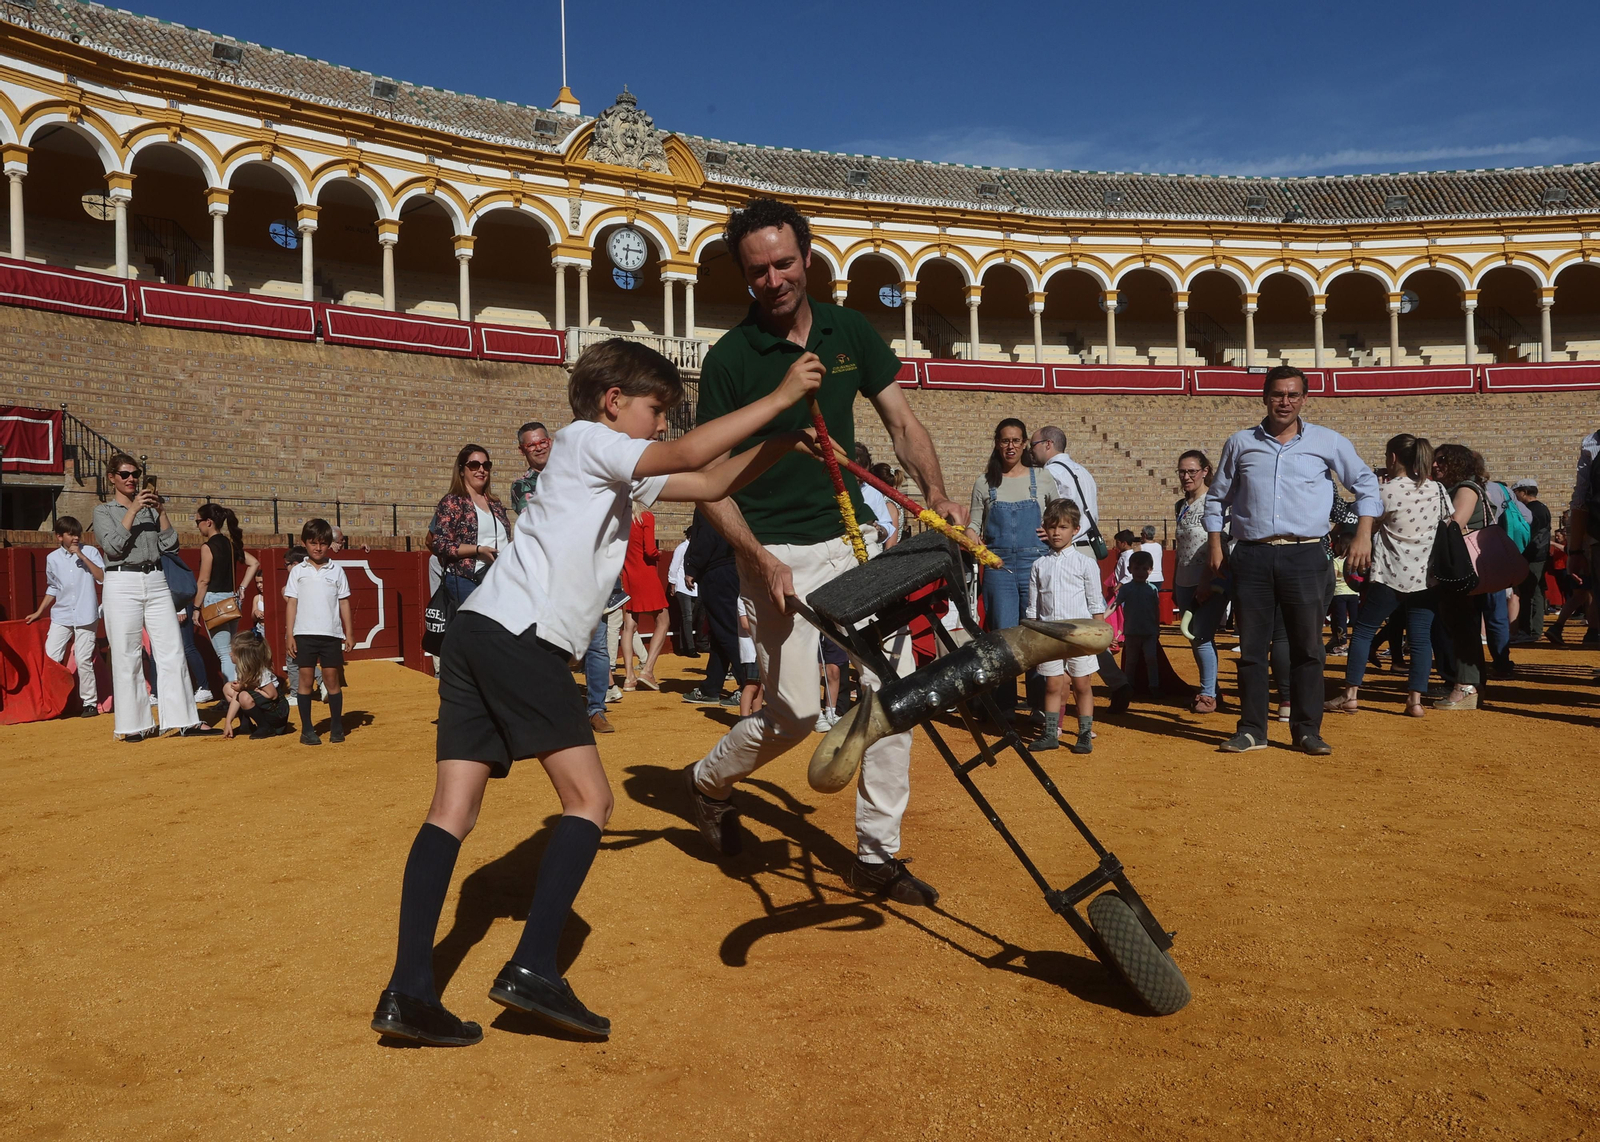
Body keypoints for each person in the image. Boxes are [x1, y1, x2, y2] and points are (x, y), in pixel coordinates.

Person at [370, 336, 821, 1047]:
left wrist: (784, 440)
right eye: (654, 410)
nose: (661, 425)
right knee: (590, 801)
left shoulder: (598, 464)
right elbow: (683, 458)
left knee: (451, 811)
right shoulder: (587, 440)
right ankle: (532, 969)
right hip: (525, 638)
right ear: (614, 402)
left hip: (478, 633)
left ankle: (408, 992)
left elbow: (708, 485)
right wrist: (780, 398)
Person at [683, 197, 967, 907]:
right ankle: (709, 781)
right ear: (743, 277)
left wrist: (937, 495)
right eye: (757, 271)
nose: (773, 279)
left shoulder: (848, 330)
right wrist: (756, 557)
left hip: (851, 540)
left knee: (893, 692)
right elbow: (707, 485)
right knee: (794, 713)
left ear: (806, 259)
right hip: (773, 551)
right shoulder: (728, 359)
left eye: (783, 263)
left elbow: (899, 420)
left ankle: (877, 853)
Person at [1204, 365, 1380, 755]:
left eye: (1293, 394)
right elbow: (1217, 498)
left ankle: (1306, 730)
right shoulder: (1240, 443)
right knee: (1251, 647)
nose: (1285, 402)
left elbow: (1366, 484)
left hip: (1306, 552)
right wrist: (1216, 544)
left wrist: (1364, 533)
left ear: (1304, 398)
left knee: (1308, 648)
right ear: (1264, 397)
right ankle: (1252, 729)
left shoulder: (1328, 441)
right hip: (1251, 554)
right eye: (1278, 394)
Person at [1324, 433, 1444, 718]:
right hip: (1426, 576)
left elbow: (1367, 522)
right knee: (1420, 638)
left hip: (1390, 573)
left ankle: (1351, 694)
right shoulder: (1437, 489)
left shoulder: (1385, 491)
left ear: (1392, 458)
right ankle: (1414, 700)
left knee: (1364, 630)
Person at [93, 454, 210, 741]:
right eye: (124, 474)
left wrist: (161, 512)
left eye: (136, 473)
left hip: (156, 578)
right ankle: (133, 725)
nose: (131, 478)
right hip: (122, 579)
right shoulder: (103, 511)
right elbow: (113, 548)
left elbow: (171, 544)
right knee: (126, 653)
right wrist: (132, 510)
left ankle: (184, 719)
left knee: (171, 648)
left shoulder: (149, 510)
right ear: (112, 478)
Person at [1030, 424, 1133, 713]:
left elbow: (1056, 514)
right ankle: (1115, 683)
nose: (1031, 452)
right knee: (1086, 626)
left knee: (1075, 627)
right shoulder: (1082, 471)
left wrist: (1049, 530)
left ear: (1048, 444)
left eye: (1033, 445)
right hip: (1086, 548)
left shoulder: (1051, 473)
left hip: (1069, 550)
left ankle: (1066, 698)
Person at [968, 417, 1056, 716]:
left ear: (1023, 444)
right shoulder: (984, 482)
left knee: (1035, 634)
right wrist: (973, 542)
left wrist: (1052, 528)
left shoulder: (1042, 478)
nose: (1010, 446)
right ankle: (1004, 703)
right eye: (1005, 440)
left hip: (1036, 564)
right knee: (1004, 636)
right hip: (999, 566)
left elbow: (1059, 515)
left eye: (1016, 440)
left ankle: (1039, 704)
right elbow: (974, 525)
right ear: (997, 442)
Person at [1026, 499, 1105, 753]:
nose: (1056, 533)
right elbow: (1033, 605)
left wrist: (1099, 634)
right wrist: (1033, 633)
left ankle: (1084, 734)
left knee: (1082, 684)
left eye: (1062, 527)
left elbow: (1095, 602)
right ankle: (1050, 734)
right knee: (1052, 684)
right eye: (1051, 527)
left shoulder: (1085, 563)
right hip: (1049, 634)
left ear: (1075, 529)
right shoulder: (1040, 565)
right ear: (1045, 529)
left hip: (1079, 634)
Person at [1431, 444, 1492, 710]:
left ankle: (1466, 687)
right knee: (1459, 624)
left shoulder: (1465, 488)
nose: (1435, 465)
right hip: (1461, 567)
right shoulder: (1457, 488)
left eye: (1441, 460)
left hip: (1463, 569)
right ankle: (1470, 683)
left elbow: (1455, 523)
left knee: (1463, 625)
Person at [25, 516, 104, 717]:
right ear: (60, 536)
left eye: (77, 533)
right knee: (52, 656)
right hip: (62, 613)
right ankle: (54, 701)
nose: (76, 537)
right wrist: (39, 611)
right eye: (71, 534)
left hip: (86, 613)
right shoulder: (52, 558)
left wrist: (82, 557)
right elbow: (53, 587)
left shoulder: (91, 552)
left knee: (83, 658)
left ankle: (90, 703)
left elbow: (102, 577)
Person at [284, 518, 353, 744]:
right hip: (304, 633)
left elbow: (344, 603)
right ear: (304, 543)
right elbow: (291, 603)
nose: (318, 548)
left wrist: (349, 633)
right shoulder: (298, 572)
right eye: (313, 543)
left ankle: (336, 725)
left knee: (331, 679)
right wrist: (290, 634)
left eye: (323, 543)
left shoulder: (336, 570)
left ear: (329, 544)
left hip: (331, 633)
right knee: (305, 679)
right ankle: (307, 729)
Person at [1171, 450, 1225, 714]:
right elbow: (1181, 548)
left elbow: (1217, 545)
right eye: (1182, 471)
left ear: (1205, 471)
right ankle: (1212, 689)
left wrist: (1206, 580)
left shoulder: (1215, 502)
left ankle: (1207, 694)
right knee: (1196, 638)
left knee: (1201, 634)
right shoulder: (1181, 505)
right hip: (1184, 579)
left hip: (1209, 580)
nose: (1186, 476)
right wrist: (1174, 582)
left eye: (1192, 471)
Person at [427, 444, 510, 610]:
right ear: (462, 470)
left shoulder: (495, 503)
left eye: (486, 465)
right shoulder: (453, 501)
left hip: (499, 579)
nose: (481, 470)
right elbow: (439, 543)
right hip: (467, 579)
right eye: (474, 465)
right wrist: (478, 550)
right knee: (477, 632)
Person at [192, 503, 259, 688]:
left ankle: (234, 694)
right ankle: (237, 691)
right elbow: (254, 563)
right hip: (231, 599)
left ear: (208, 522)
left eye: (198, 521)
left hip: (214, 601)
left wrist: (196, 608)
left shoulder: (208, 547)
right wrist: (242, 588)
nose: (197, 526)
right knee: (231, 651)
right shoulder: (229, 544)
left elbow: (204, 581)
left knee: (224, 653)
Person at [682, 507, 742, 706]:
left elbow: (705, 538)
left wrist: (693, 567)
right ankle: (712, 687)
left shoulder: (710, 498)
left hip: (718, 571)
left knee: (728, 630)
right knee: (719, 632)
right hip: (732, 567)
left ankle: (749, 685)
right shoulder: (733, 495)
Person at [619, 502, 670, 690]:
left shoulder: (619, 517)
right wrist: (658, 554)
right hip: (645, 574)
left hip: (628, 574)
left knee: (629, 626)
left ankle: (629, 677)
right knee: (663, 621)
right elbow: (649, 550)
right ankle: (647, 670)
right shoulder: (645, 516)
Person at [220, 629, 291, 739]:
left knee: (243, 695)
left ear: (243, 656)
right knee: (229, 688)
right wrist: (228, 722)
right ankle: (245, 724)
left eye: (233, 652)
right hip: (264, 703)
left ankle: (266, 727)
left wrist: (246, 687)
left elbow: (273, 695)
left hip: (276, 711)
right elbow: (235, 695)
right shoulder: (240, 668)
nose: (230, 654)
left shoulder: (260, 672)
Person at [1510, 479, 1551, 643]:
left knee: (1530, 593)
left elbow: (1529, 533)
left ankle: (1529, 631)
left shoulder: (1532, 510)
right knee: (1537, 592)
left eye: (1516, 493)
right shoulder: (1542, 508)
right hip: (1540, 555)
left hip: (1533, 556)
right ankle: (1534, 630)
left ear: (1523, 492)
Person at [1120, 550, 1161, 696]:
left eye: (1144, 569)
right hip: (1131, 631)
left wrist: (1157, 628)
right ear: (1130, 569)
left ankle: (1154, 686)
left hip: (1149, 631)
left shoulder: (1152, 589)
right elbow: (1115, 604)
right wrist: (1102, 616)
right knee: (1131, 661)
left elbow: (1156, 610)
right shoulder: (1126, 588)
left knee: (1151, 659)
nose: (1140, 572)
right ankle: (1128, 686)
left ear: (1150, 570)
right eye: (1136, 568)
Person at [667, 528, 700, 659]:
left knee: (687, 618)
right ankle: (690, 648)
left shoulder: (694, 548)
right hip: (682, 586)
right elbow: (674, 566)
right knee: (688, 617)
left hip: (693, 588)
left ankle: (682, 647)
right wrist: (673, 584)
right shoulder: (682, 548)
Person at [1327, 533, 1360, 655]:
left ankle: (1343, 644)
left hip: (1339, 594)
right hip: (1354, 593)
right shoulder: (1355, 560)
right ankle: (1357, 643)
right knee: (1355, 619)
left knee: (1341, 619)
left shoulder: (1336, 561)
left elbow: (1333, 579)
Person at [510, 421, 551, 514]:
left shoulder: (568, 474)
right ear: (522, 450)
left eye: (543, 442)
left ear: (550, 442)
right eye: (531, 445)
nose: (539, 448)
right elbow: (535, 517)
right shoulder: (521, 486)